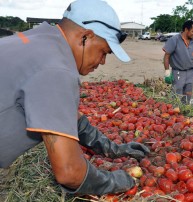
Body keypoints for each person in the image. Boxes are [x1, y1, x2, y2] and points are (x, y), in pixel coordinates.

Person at [0, 0, 150, 196]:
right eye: (103, 52)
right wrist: (116, 180)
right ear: (86, 37)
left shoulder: (41, 38)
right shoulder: (57, 69)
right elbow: (69, 172)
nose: (102, 61)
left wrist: (110, 147)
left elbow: (63, 113)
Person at [162, 20, 193, 104]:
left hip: (190, 73)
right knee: (177, 96)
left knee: (188, 95)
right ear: (186, 30)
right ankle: (175, 113)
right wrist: (167, 72)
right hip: (178, 73)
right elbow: (166, 56)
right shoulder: (174, 40)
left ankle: (185, 111)